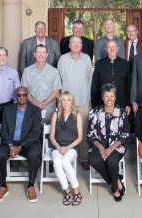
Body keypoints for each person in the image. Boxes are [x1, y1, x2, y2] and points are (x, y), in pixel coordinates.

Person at [0, 86, 42, 204]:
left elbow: (35, 133)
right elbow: (3, 130)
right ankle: (3, 186)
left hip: (28, 143)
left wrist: (20, 146)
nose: (22, 97)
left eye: (24, 94)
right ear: (15, 96)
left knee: (35, 154)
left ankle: (31, 186)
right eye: (19, 95)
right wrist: (10, 145)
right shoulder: (8, 109)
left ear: (27, 95)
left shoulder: (35, 111)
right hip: (10, 142)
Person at [87, 83, 129, 202]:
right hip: (98, 144)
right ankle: (116, 180)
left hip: (117, 146)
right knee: (94, 160)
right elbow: (90, 134)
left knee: (111, 160)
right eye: (106, 96)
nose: (109, 99)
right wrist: (101, 148)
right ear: (102, 97)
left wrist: (111, 148)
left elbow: (125, 134)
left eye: (112, 96)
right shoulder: (95, 111)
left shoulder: (121, 112)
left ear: (115, 97)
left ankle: (115, 190)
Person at [58, 35, 93, 170]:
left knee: (84, 129)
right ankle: (66, 155)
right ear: (69, 45)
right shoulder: (63, 59)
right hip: (67, 102)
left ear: (81, 45)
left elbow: (89, 79)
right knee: (67, 128)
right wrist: (60, 100)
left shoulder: (87, 59)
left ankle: (84, 157)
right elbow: (60, 79)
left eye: (79, 43)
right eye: (73, 42)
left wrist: (90, 98)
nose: (76, 45)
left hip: (84, 99)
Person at [50, 91, 83, 206]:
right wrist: (59, 147)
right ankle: (67, 191)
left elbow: (80, 137)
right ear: (60, 102)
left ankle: (77, 191)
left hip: (72, 147)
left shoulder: (77, 115)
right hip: (57, 146)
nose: (66, 102)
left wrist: (68, 147)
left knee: (65, 161)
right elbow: (52, 136)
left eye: (68, 100)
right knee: (57, 162)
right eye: (63, 100)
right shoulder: (55, 115)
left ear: (72, 102)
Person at [21, 44, 62, 125]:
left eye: (43, 53)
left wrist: (44, 104)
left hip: (49, 109)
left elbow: (56, 91)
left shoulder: (54, 71)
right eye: (38, 52)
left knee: (48, 134)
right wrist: (36, 104)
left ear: (47, 55)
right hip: (31, 109)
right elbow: (24, 91)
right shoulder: (27, 71)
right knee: (32, 134)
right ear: (34, 54)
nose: (41, 55)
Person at [91, 40, 130, 115]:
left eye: (114, 47)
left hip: (120, 102)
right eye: (109, 47)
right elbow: (95, 86)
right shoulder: (99, 64)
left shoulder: (125, 64)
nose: (112, 49)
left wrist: (128, 104)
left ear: (117, 48)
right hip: (102, 103)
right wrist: (94, 105)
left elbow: (128, 85)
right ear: (106, 49)